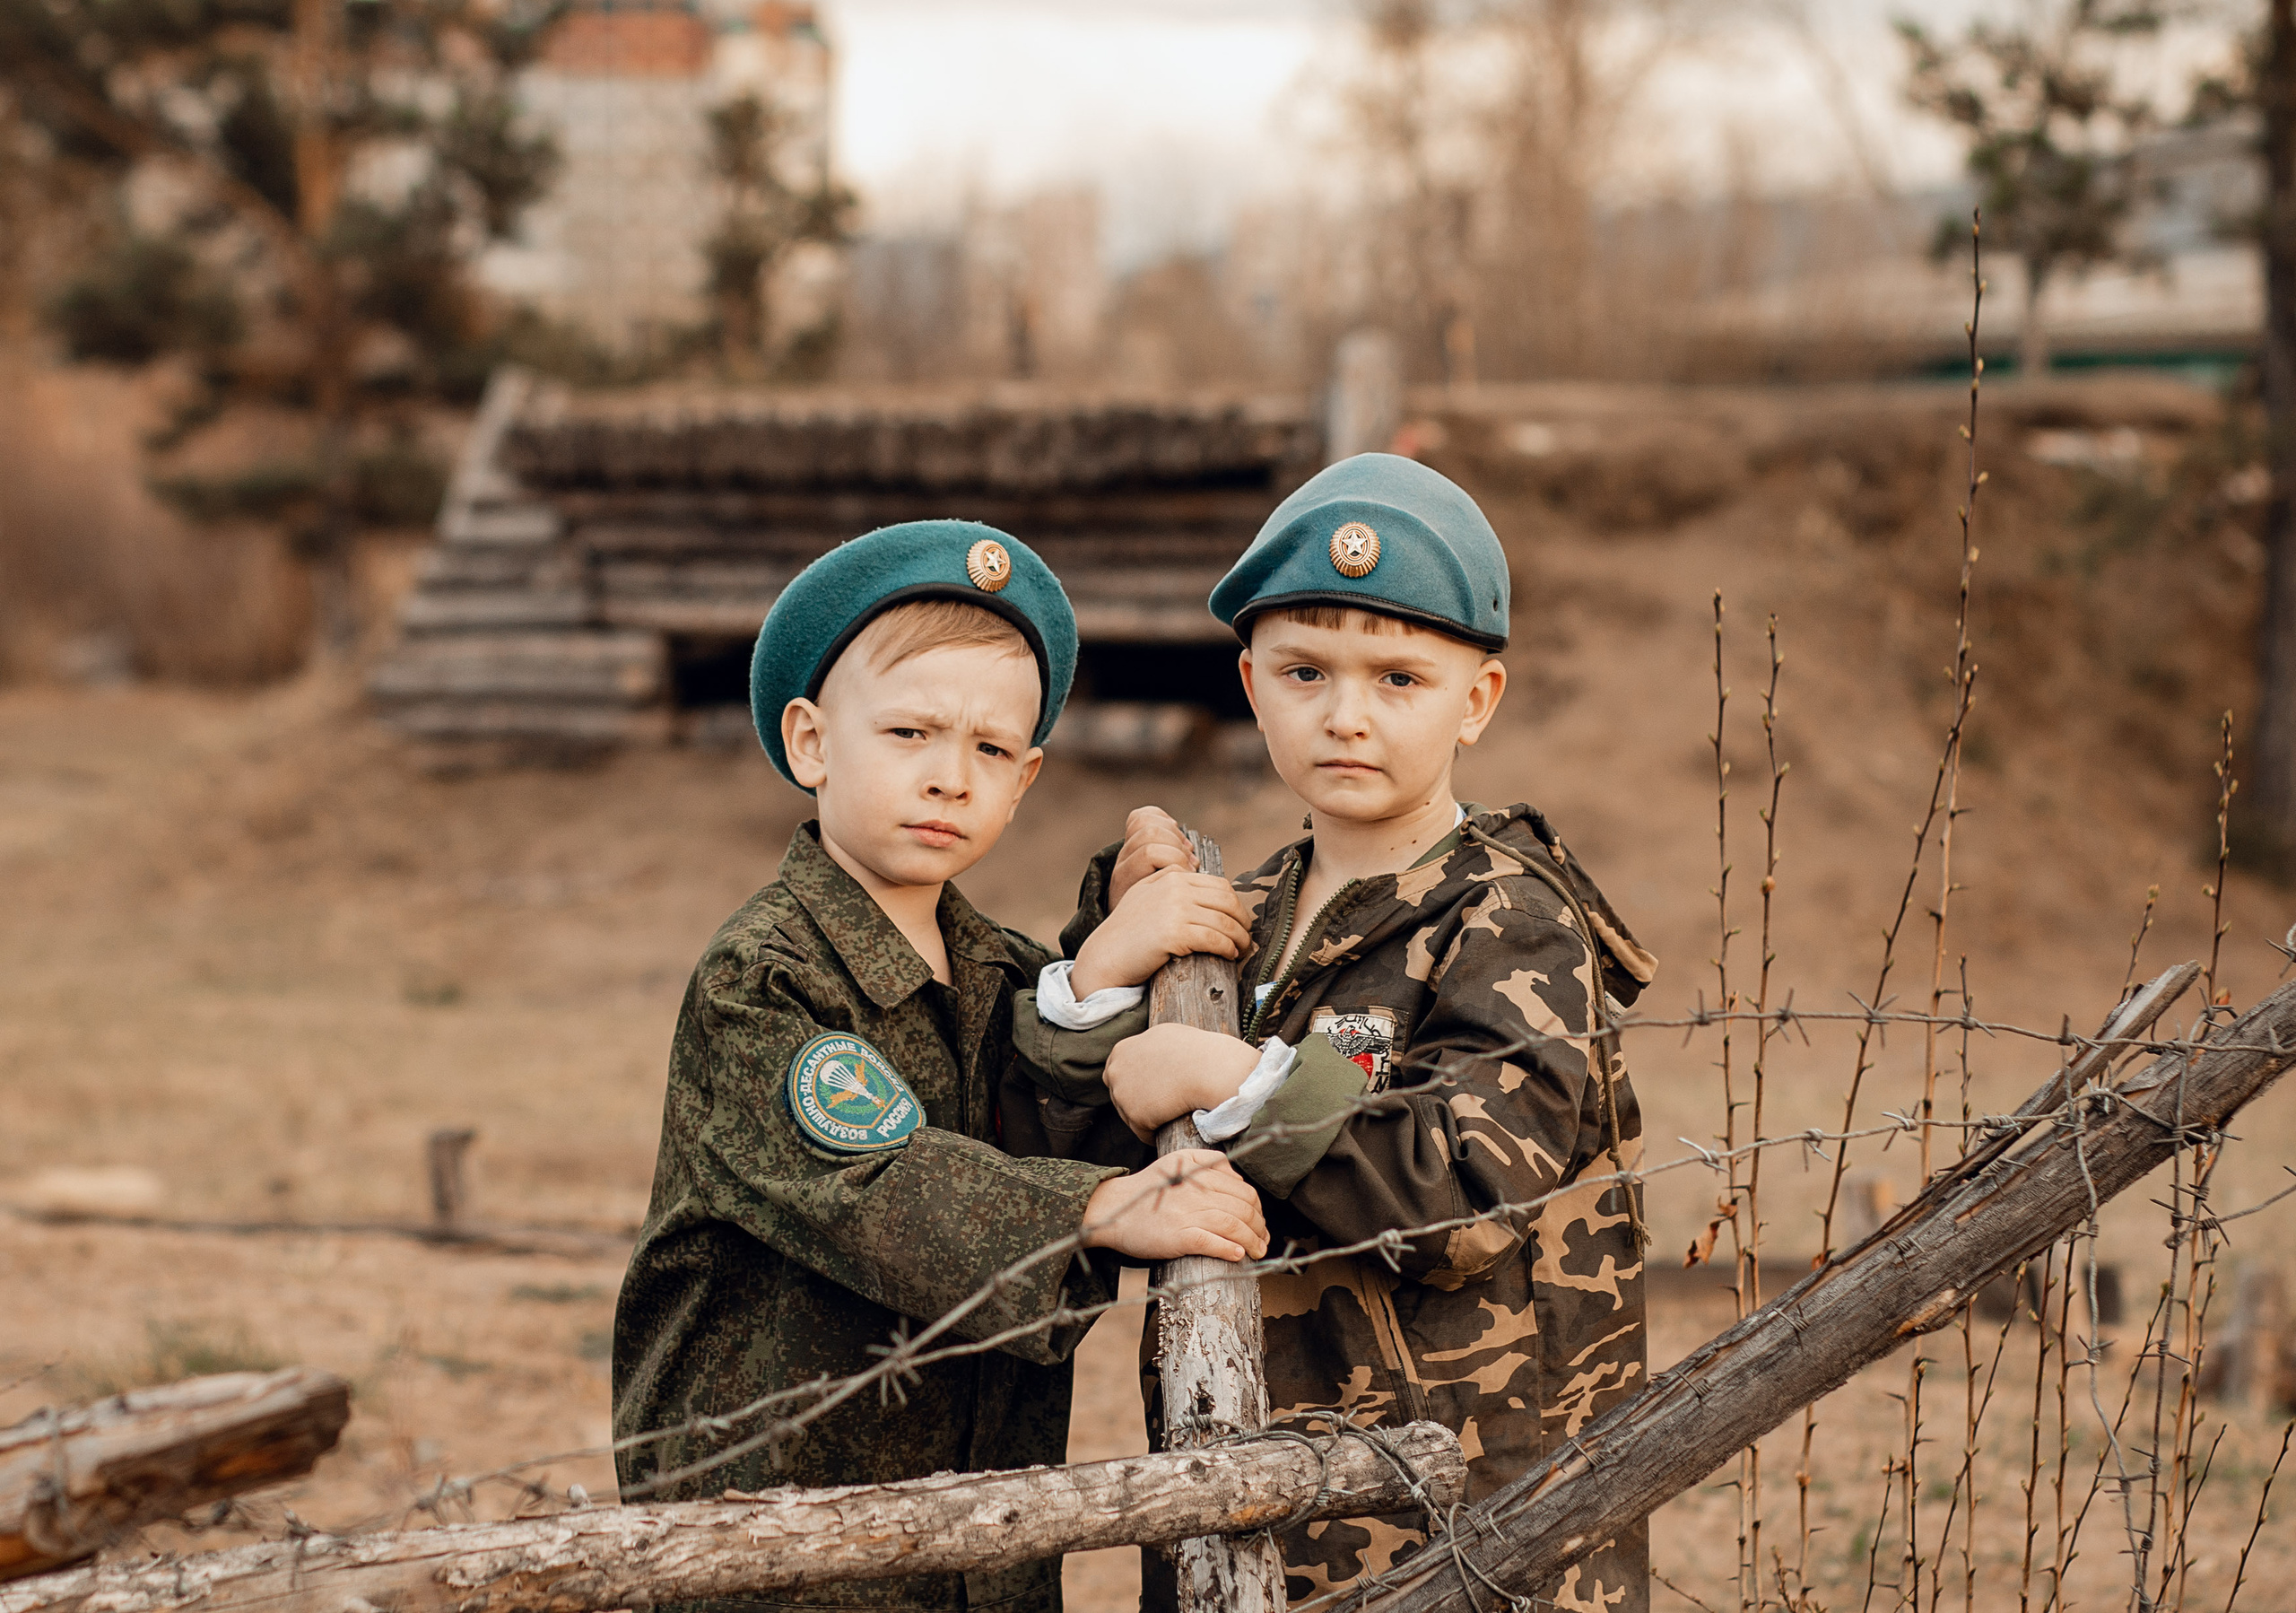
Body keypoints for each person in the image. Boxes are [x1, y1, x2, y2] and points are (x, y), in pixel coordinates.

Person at [1016, 456, 1661, 1613]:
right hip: (1239, 1503)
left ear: (1478, 699)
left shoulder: (1510, 916)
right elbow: (1068, 1169)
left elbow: (1468, 1199)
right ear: (1251, 684)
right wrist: (1102, 972)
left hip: (1473, 1536)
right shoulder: (1229, 924)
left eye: (1398, 676)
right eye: (1305, 671)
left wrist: (1236, 1079)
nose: (1346, 714)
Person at [611, 519, 1268, 1613]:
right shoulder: (762, 976)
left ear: (1025, 781)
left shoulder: (1003, 973)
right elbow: (880, 1189)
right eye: (910, 731)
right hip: (777, 1548)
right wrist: (1100, 1210)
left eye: (990, 750)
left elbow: (1042, 1105)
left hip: (982, 1544)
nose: (948, 778)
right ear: (813, 743)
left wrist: (1100, 966)